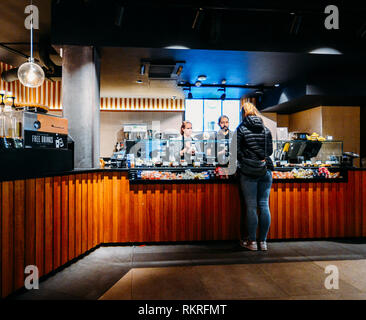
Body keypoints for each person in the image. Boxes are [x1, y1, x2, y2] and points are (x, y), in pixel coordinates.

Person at [236, 102, 274, 251]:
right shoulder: (266, 130)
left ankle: (252, 242)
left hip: (248, 171)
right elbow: (270, 151)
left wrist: (246, 159)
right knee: (264, 205)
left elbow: (236, 151)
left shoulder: (241, 129)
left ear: (243, 114)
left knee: (251, 206)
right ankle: (263, 242)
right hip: (265, 170)